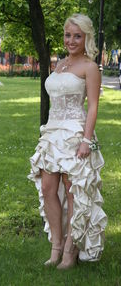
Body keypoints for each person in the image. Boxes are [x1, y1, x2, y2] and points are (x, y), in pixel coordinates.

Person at [28, 13, 107, 270]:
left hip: (75, 133)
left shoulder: (90, 67)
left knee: (73, 192)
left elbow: (93, 107)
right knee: (48, 189)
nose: (71, 40)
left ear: (86, 38)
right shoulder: (59, 65)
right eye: (67, 35)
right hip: (52, 133)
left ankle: (70, 252)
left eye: (77, 36)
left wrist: (86, 140)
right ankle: (56, 247)